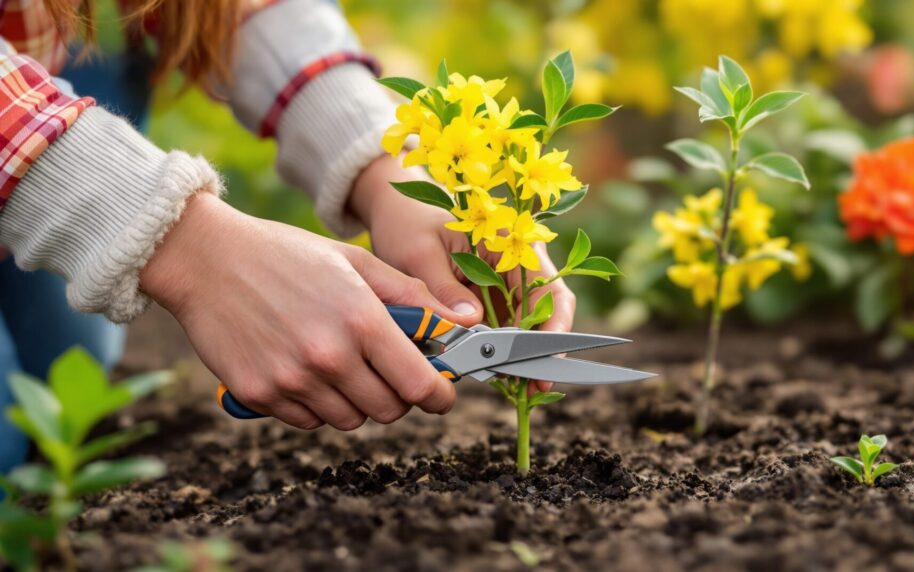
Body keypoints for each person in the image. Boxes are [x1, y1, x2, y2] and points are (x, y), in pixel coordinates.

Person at [0, 0, 575, 473]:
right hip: (30, 118)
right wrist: (193, 249)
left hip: (45, 58)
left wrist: (383, 173)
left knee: (60, 384)